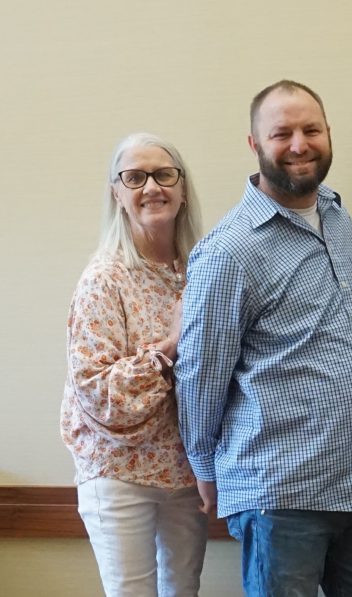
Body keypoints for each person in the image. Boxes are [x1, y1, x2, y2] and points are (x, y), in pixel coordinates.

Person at [175, 80, 352, 597]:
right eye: (282, 133)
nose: (299, 144)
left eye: (310, 129)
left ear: (328, 134)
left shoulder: (339, 219)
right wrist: (205, 470)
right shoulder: (229, 251)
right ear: (254, 144)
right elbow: (200, 374)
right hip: (281, 493)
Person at [60, 132, 206, 596]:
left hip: (185, 471)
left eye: (164, 174)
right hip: (118, 474)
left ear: (182, 190)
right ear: (117, 194)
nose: (151, 187)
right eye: (135, 177)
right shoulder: (104, 278)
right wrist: (172, 344)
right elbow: (98, 393)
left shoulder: (202, 271)